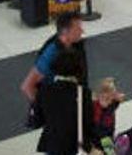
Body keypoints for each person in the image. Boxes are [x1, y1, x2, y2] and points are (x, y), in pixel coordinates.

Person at [20, 12, 89, 155]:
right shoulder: (51, 53)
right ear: (66, 31)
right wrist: (51, 112)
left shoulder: (74, 46)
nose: (82, 31)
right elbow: (27, 86)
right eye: (78, 28)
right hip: (59, 125)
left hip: (73, 108)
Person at [90, 77, 124, 151]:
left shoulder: (112, 102)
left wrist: (117, 99)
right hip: (97, 136)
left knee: (109, 149)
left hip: (108, 133)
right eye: (112, 90)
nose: (115, 92)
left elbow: (118, 100)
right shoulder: (95, 105)